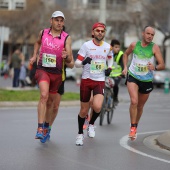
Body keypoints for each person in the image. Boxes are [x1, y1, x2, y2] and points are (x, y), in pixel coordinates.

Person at [29, 11, 72, 140]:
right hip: (43, 69)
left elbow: (70, 60)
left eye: (61, 21)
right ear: (51, 21)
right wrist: (35, 55)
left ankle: (47, 127)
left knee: (51, 104)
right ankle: (40, 128)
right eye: (56, 20)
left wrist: (67, 56)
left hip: (57, 73)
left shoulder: (66, 38)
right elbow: (37, 42)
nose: (59, 23)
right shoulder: (43, 33)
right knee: (43, 95)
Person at [122, 26, 165, 140]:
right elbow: (125, 54)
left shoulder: (154, 48)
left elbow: (162, 65)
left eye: (152, 35)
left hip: (146, 80)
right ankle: (132, 127)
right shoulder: (134, 45)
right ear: (143, 34)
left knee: (140, 106)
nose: (150, 36)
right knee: (134, 101)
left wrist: (154, 67)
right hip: (133, 76)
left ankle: (135, 126)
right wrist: (125, 67)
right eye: (148, 34)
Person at [75, 22, 113, 146]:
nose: (100, 33)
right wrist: (84, 61)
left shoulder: (108, 47)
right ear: (93, 32)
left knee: (97, 107)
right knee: (84, 110)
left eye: (102, 31)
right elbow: (76, 63)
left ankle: (91, 124)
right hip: (86, 79)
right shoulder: (86, 46)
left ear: (104, 33)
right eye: (97, 31)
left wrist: (110, 68)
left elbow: (110, 57)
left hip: (99, 80)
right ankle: (80, 134)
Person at [40, 50, 74, 143]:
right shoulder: (48, 42)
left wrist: (66, 58)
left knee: (55, 107)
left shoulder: (66, 44)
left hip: (60, 79)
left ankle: (48, 128)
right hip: (48, 76)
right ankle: (43, 127)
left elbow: (72, 65)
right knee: (48, 103)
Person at [109, 39, 124, 105]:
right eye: (116, 47)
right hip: (108, 74)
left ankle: (115, 98)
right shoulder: (107, 53)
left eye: (118, 47)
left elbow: (123, 65)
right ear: (111, 47)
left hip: (117, 75)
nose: (118, 49)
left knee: (115, 85)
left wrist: (122, 73)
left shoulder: (121, 54)